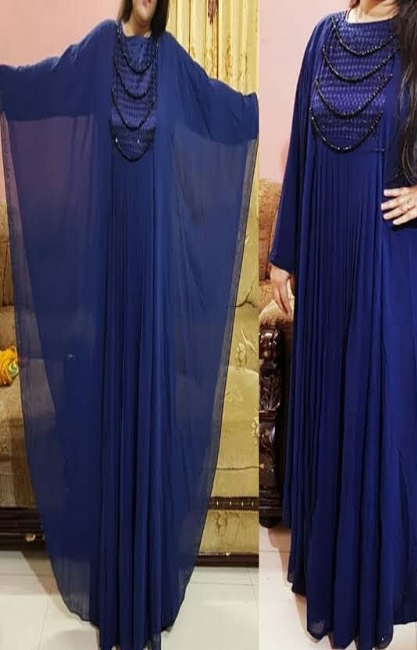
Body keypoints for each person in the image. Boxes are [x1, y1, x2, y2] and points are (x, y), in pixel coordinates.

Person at [0, 1, 258, 649]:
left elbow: (224, 111)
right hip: (108, 268)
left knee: (149, 407)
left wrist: (272, 104)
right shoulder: (96, 49)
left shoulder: (172, 61)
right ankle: (116, 584)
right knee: (112, 409)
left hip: (156, 269)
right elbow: (39, 85)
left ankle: (145, 582)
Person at [267, 0, 417, 647]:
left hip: (397, 261)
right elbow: (302, 151)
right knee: (336, 407)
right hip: (329, 264)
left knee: (383, 413)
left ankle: (382, 582)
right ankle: (335, 571)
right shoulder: (322, 38)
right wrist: (284, 253)